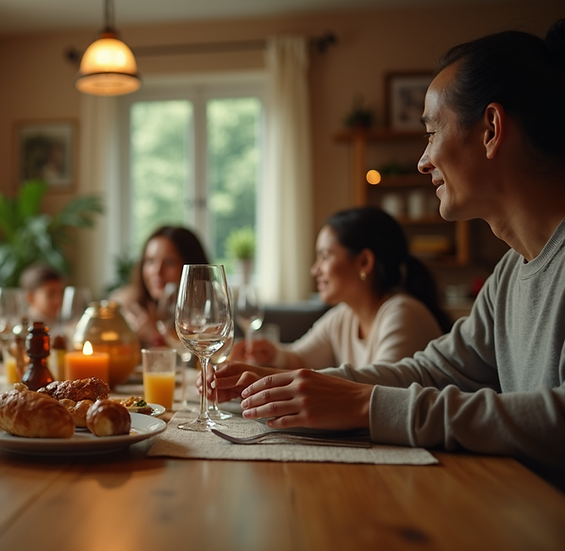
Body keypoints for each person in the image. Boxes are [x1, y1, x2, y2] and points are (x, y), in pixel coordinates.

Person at [213, 20, 565, 489]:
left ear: (491, 130)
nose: (423, 160)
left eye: (432, 132)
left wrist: (364, 404)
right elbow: (437, 371)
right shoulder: (508, 275)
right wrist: (290, 383)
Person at [230, 206, 449, 369]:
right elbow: (298, 358)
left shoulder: (403, 313)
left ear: (364, 262)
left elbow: (379, 390)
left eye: (325, 256)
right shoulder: (344, 316)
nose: (315, 270)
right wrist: (272, 356)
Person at [110, 225, 210, 347]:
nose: (157, 271)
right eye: (150, 261)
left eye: (169, 262)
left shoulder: (209, 313)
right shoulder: (126, 304)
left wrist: (156, 335)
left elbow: (203, 362)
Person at [19, 262, 65, 327]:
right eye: (50, 294)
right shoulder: (22, 327)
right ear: (30, 297)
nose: (58, 300)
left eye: (61, 293)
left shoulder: (65, 324)